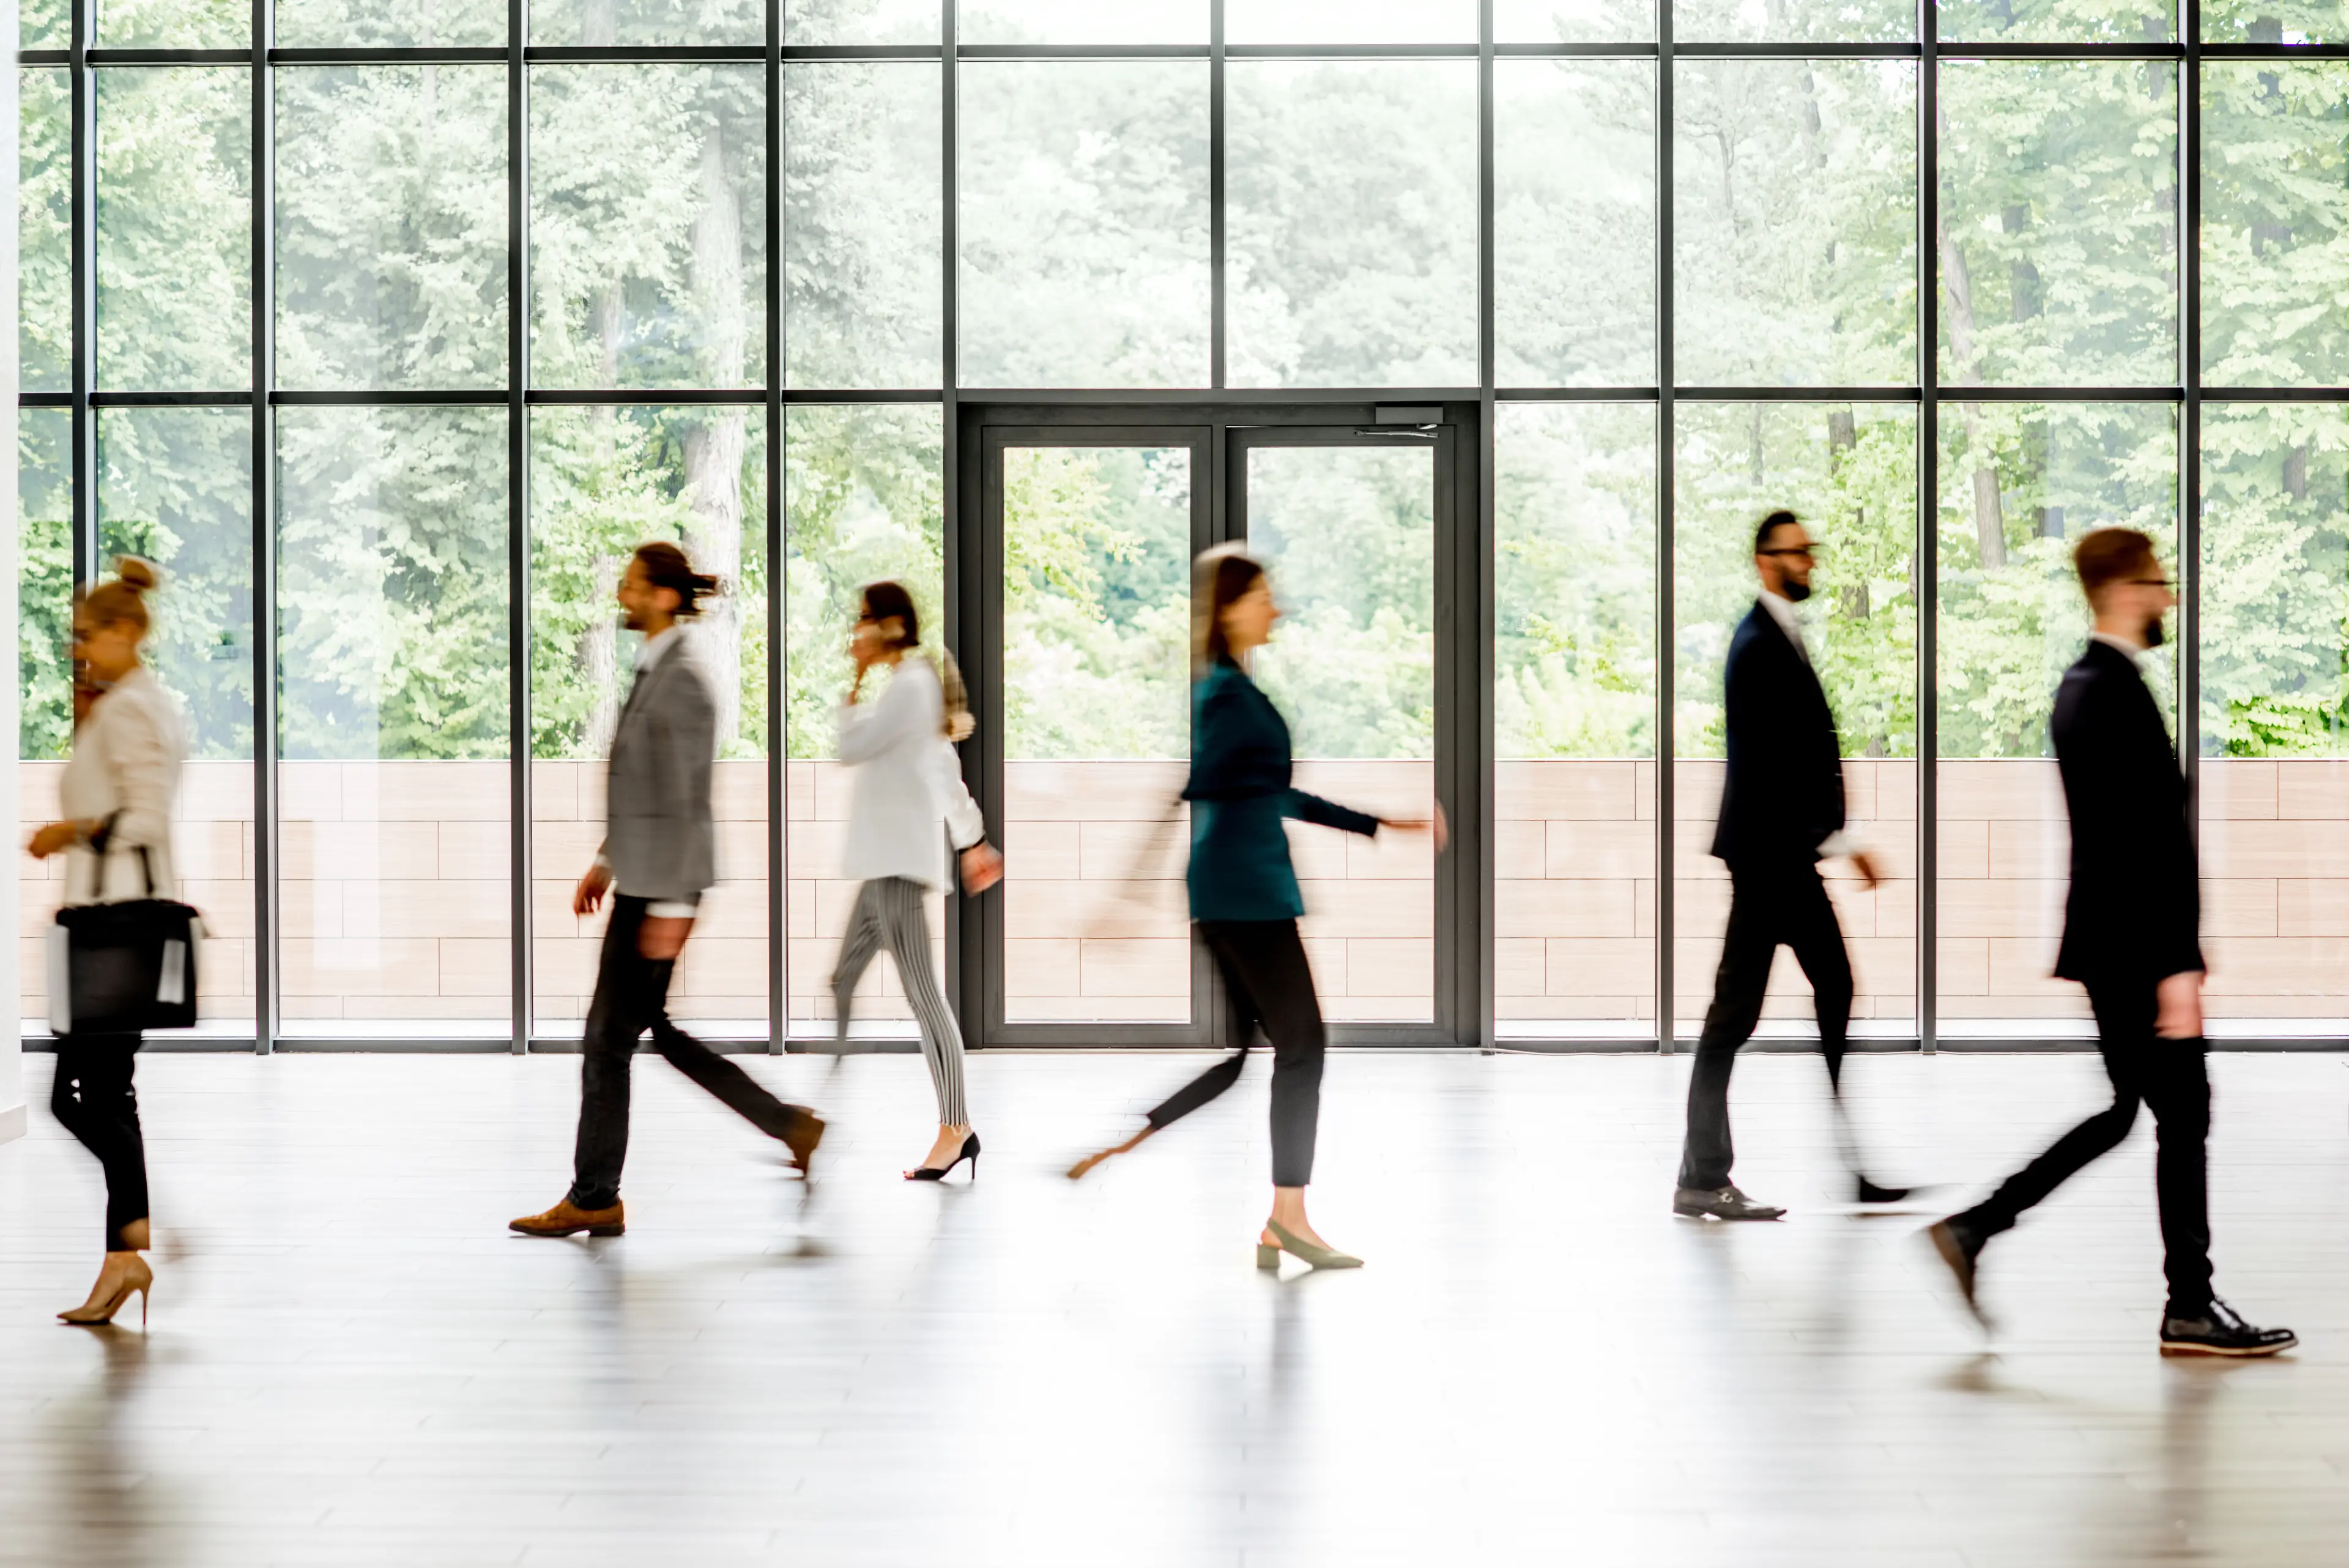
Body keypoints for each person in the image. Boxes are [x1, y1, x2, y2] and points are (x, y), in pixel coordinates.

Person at [1928, 529, 2294, 1356]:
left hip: (2116, 941)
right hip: (2136, 948)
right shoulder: (2107, 691)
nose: (2167, 596)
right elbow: (2142, 843)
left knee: (2137, 1110)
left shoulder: (2092, 685)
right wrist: (2177, 968)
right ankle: (2186, 1305)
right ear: (2123, 587)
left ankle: (1980, 1229)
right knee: (2178, 1111)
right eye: (2158, 582)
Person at [1066, 546, 1431, 1271]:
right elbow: (1204, 787)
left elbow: (1263, 791)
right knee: (1303, 1046)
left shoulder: (1225, 689)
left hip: (1234, 892)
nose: (1277, 606)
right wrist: (1131, 889)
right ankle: (1286, 1216)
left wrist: (1377, 823)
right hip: (1245, 894)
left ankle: (1133, 1147)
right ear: (1231, 607)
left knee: (1248, 1056)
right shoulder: (1227, 696)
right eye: (1264, 594)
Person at [511, 543, 825, 1238]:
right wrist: (605, 862)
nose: (621, 596)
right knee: (650, 1037)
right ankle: (789, 1126)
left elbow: (687, 799)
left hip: (662, 894)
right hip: (645, 883)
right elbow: (644, 789)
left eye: (630, 586)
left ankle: (596, 1196)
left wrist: (676, 906)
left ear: (660, 595)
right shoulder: (657, 668)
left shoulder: (682, 678)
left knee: (606, 1043)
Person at [1673, 510, 1911, 1222]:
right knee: (1731, 1022)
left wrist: (1838, 838)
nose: (1809, 562)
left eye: (1811, 551)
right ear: (1763, 560)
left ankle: (1845, 1167)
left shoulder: (1779, 637)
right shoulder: (1756, 647)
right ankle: (1703, 1175)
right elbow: (1770, 768)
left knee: (1829, 989)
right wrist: (1844, 840)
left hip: (1785, 861)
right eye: (1796, 553)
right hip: (1771, 863)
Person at [29, 558, 187, 1326]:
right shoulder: (124, 704)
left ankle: (137, 1240)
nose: (77, 649)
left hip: (114, 928)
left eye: (87, 635)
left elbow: (148, 817)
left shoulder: (133, 710)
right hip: (99, 924)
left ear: (125, 632)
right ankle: (126, 1255)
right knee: (100, 1095)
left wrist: (71, 830)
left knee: (79, 1097)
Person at [827, 582, 998, 1180]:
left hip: (897, 870)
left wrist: (971, 841)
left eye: (865, 621)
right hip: (883, 867)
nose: (858, 631)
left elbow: (852, 747)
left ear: (890, 625)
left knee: (926, 999)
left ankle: (957, 1127)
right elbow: (941, 770)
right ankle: (827, 1102)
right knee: (843, 976)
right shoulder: (910, 686)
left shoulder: (909, 687)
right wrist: (971, 840)